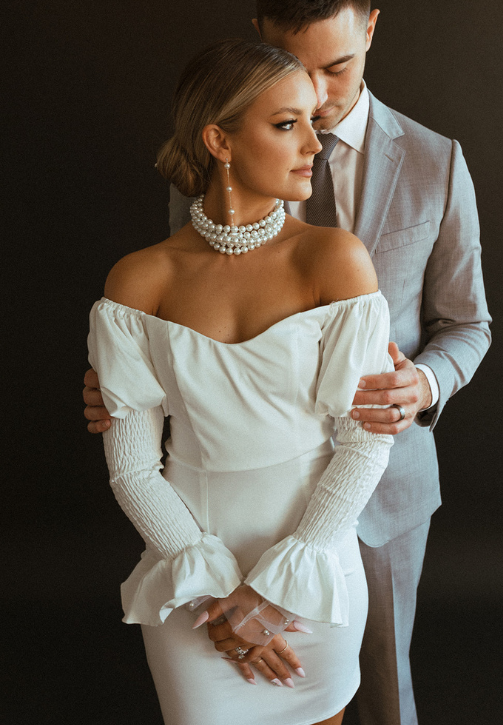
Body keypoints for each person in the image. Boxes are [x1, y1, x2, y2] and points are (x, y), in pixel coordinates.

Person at [83, 0, 491, 724]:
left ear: (370, 29)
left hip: (381, 480)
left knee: (384, 690)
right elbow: (183, 319)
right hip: (211, 505)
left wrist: (423, 384)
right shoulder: (217, 174)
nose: (316, 91)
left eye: (335, 68)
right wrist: (122, 384)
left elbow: (468, 323)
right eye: (288, 66)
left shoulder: (438, 164)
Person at [91, 38, 393, 725]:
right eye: (287, 124)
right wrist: (220, 598)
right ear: (219, 139)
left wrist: (275, 595)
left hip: (316, 569)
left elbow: (364, 442)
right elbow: (133, 468)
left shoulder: (336, 261)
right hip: (190, 582)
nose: (314, 143)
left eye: (314, 122)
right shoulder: (139, 280)